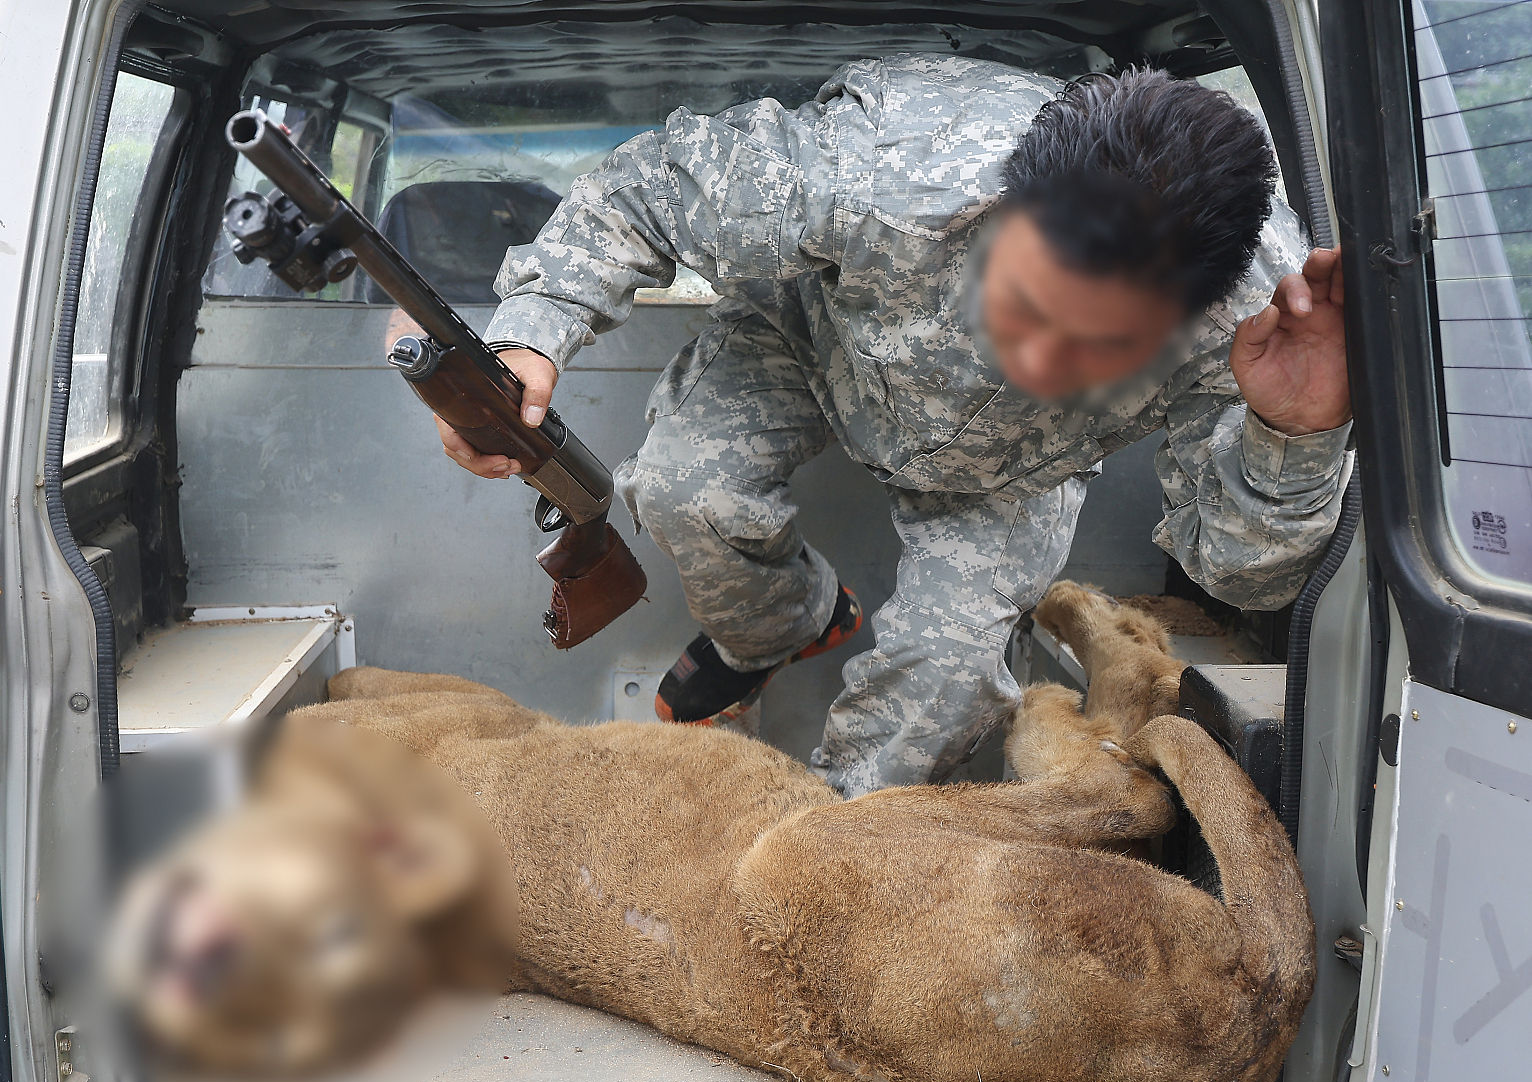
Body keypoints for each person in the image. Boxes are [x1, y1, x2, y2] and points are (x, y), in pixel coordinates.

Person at [438, 57, 1352, 798]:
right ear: (1000, 208)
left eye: (1093, 342)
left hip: (1012, 473)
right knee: (685, 491)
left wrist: (1292, 432)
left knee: (946, 686)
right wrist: (529, 337)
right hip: (809, 343)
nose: (1033, 360)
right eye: (1019, 299)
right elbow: (645, 190)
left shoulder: (1253, 324)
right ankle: (781, 630)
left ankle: (824, 859)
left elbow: (1241, 573)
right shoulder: (880, 169)